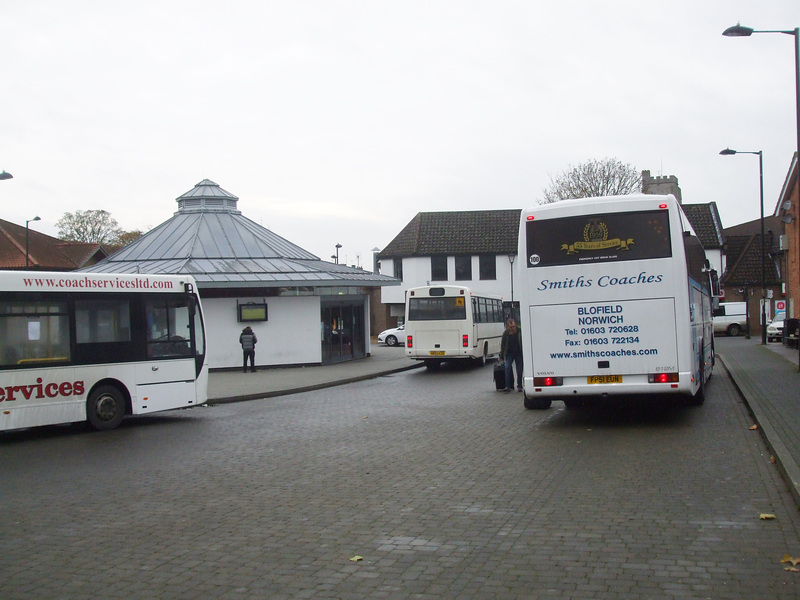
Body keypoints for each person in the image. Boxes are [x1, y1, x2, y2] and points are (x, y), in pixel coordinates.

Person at [499, 318, 523, 392]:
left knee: (519, 370)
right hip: (509, 353)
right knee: (507, 368)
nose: (513, 328)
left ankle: (519, 386)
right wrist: (501, 356)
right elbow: (503, 346)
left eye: (514, 326)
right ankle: (508, 386)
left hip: (518, 352)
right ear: (507, 327)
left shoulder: (519, 331)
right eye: (511, 327)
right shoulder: (506, 334)